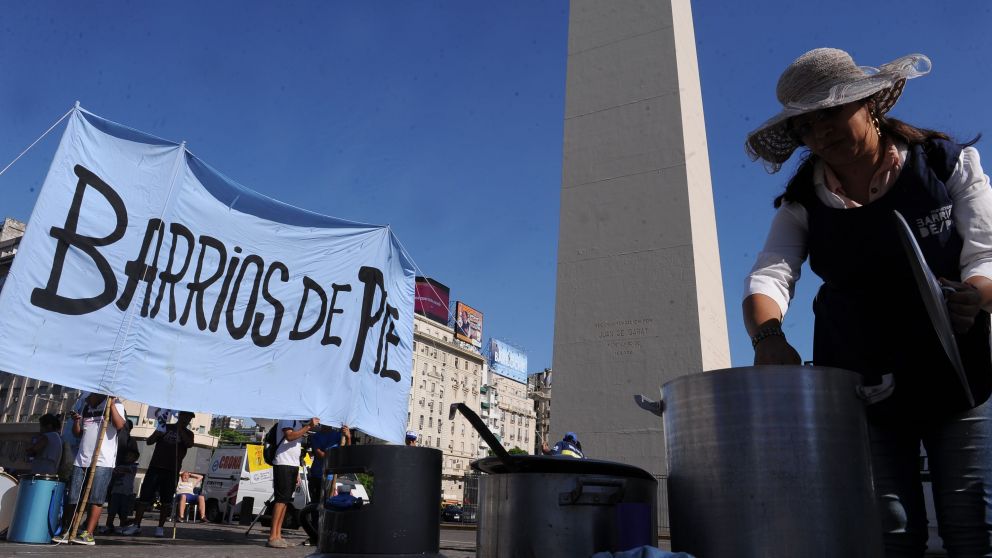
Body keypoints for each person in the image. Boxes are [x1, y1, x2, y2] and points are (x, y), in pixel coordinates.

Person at [743, 47, 992, 556]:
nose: (821, 133)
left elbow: (986, 255)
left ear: (870, 102)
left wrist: (976, 296)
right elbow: (771, 275)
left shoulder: (948, 164)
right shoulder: (801, 204)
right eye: (806, 127)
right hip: (862, 386)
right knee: (888, 528)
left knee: (973, 524)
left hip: (959, 374)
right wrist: (768, 337)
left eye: (830, 113)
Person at [60, 393, 126, 545]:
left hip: (103, 460)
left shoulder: (116, 405)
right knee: (74, 498)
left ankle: (88, 533)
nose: (86, 400)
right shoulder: (86, 407)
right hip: (82, 458)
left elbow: (119, 425)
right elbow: (78, 433)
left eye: (88, 397)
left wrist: (112, 403)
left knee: (96, 497)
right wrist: (77, 421)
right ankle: (69, 530)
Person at [122, 411, 196, 538]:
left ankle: (160, 527)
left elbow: (189, 444)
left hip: (172, 470)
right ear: (180, 416)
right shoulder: (165, 427)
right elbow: (149, 442)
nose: (187, 419)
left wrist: (180, 430)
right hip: (155, 467)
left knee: (166, 501)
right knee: (144, 498)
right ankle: (136, 525)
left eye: (189, 418)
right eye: (185, 416)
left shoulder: (189, 433)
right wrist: (158, 433)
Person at [267, 417, 318, 549]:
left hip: (292, 465)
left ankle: (278, 535)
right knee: (280, 500)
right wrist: (308, 427)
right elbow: (289, 436)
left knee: (286, 500)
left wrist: (297, 473)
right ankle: (273, 536)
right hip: (282, 463)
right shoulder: (288, 418)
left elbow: (294, 447)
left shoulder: (298, 422)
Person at [100, 445, 139, 535]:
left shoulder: (134, 467)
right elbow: (114, 472)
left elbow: (126, 470)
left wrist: (117, 470)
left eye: (131, 456)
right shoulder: (120, 466)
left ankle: (122, 526)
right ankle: (109, 525)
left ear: (135, 458)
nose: (128, 457)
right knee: (112, 510)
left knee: (123, 511)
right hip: (116, 491)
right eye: (127, 456)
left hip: (126, 493)